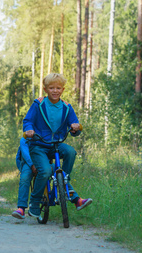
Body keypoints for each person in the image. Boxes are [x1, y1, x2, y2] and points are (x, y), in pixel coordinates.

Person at [23, 73, 92, 218]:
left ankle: (64, 180)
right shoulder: (39, 104)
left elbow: (74, 126)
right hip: (38, 145)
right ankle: (34, 203)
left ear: (63, 90)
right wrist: (29, 130)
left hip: (56, 144)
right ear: (45, 89)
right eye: (51, 88)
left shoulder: (67, 107)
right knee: (46, 171)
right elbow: (28, 120)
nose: (55, 91)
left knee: (70, 152)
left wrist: (75, 127)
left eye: (58, 88)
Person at [12, 137, 37, 219]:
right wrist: (31, 165)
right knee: (24, 178)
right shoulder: (25, 139)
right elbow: (23, 155)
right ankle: (21, 208)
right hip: (29, 162)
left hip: (44, 160)